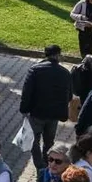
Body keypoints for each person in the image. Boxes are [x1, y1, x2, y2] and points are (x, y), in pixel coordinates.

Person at [20, 44, 73, 174]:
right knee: (49, 141)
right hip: (54, 114)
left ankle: (40, 165)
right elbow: (70, 95)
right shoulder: (65, 73)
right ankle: (49, 161)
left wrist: (24, 109)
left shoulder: (35, 70)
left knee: (34, 140)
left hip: (37, 112)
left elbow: (27, 91)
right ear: (58, 55)